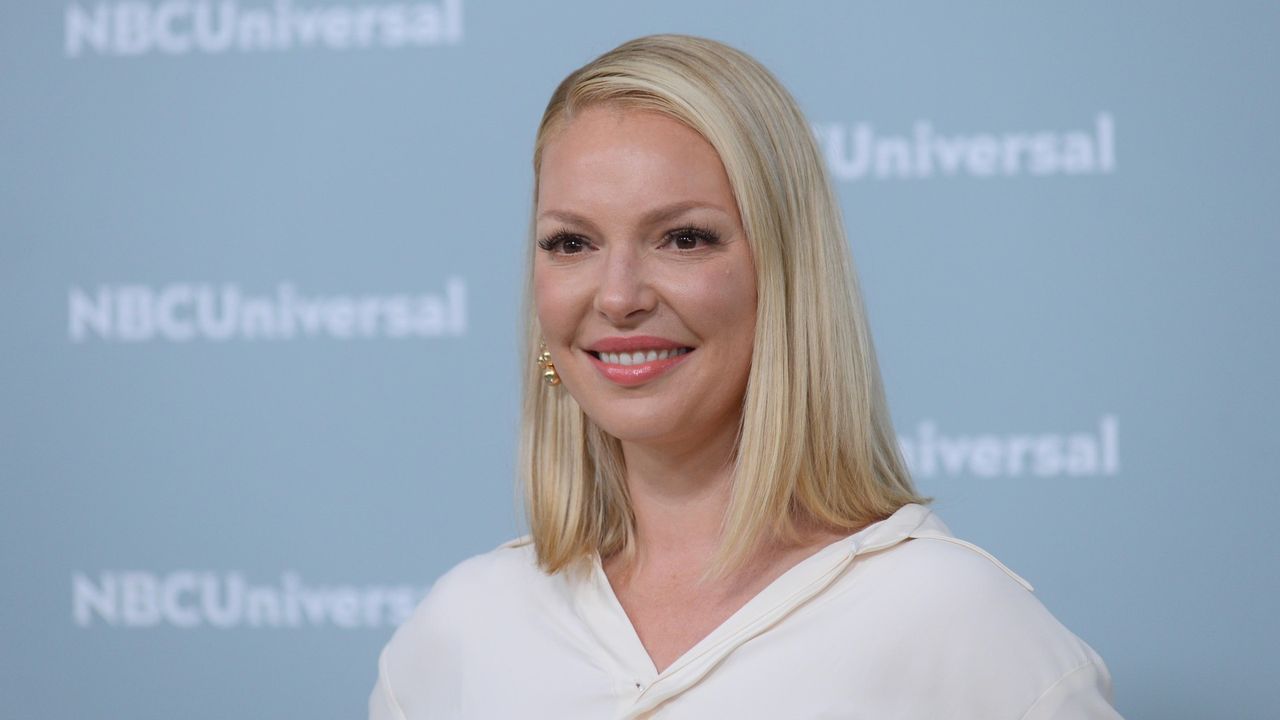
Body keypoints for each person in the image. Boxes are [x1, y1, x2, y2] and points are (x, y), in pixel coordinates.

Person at [369, 34, 1122, 719]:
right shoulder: (456, 636)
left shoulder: (964, 633)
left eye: (684, 238)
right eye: (571, 243)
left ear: (787, 278)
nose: (619, 295)